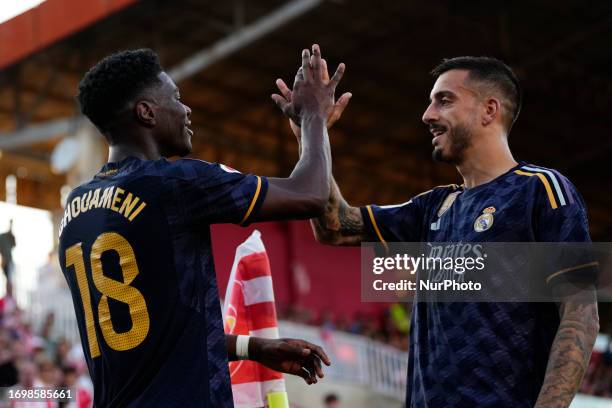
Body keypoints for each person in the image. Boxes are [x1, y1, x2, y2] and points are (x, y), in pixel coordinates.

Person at [275, 56, 600, 407]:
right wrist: (311, 131)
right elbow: (335, 227)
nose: (427, 115)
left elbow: (580, 313)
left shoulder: (541, 190)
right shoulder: (432, 206)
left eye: (444, 100)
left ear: (489, 110)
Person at [58, 45, 345, 407]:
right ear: (146, 112)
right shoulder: (176, 183)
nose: (186, 108)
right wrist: (314, 116)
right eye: (175, 98)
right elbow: (310, 194)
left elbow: (154, 338)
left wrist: (254, 347)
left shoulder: (75, 208)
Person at [0, 219, 16, 295]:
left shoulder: (5, 236)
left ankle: (9, 294)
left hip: (8, 262)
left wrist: (11, 225)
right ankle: (8, 294)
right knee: (8, 279)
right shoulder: (2, 237)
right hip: (6, 262)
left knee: (10, 279)